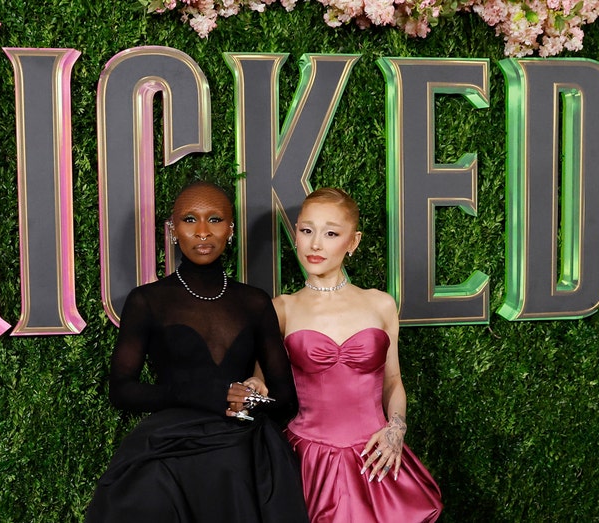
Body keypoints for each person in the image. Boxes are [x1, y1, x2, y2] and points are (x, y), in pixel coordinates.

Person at [85, 181, 309, 523]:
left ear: (230, 230)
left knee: (236, 470)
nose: (203, 232)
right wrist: (207, 394)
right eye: (190, 219)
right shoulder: (147, 300)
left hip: (243, 449)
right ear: (173, 230)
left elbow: (286, 400)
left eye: (215, 219)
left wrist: (248, 400)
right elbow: (121, 390)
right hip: (168, 449)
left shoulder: (255, 301)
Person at [273, 187, 442, 522]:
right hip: (308, 458)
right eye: (307, 231)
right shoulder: (282, 308)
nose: (316, 244)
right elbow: (261, 384)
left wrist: (396, 429)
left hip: (375, 453)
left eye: (331, 233)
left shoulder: (380, 303)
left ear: (353, 242)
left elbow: (393, 381)